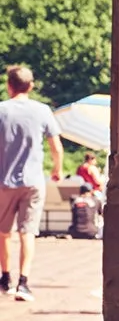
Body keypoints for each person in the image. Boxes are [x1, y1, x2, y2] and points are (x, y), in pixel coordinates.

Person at [0, 65, 64, 303]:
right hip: (34, 181)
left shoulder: (1, 110)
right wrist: (57, 170)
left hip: (3, 181)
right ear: (31, 86)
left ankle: (5, 278)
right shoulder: (42, 110)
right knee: (28, 233)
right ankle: (23, 283)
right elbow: (56, 147)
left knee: (3, 233)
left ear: (9, 85)